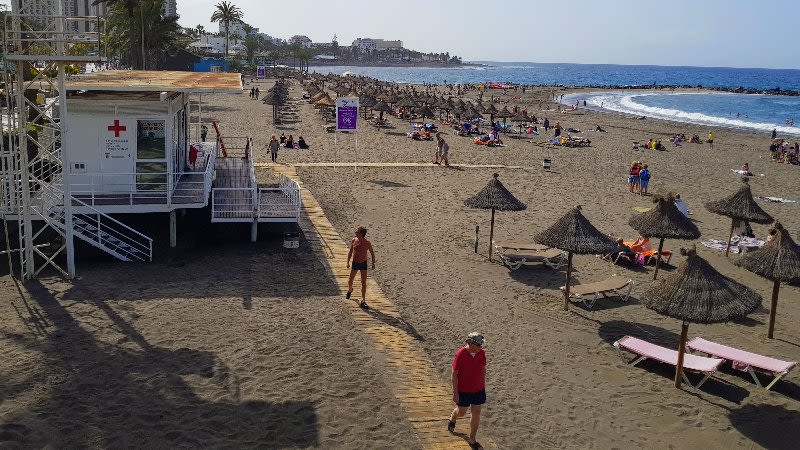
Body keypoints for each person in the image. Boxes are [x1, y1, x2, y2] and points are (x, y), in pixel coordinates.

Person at [448, 332, 486, 450]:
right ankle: (453, 417)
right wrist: (455, 392)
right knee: (462, 412)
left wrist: (483, 386)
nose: (481, 347)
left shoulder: (482, 353)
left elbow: (483, 370)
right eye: (479, 345)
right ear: (471, 344)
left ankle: (472, 439)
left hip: (478, 389)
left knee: (476, 412)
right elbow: (454, 375)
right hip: (463, 390)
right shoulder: (460, 354)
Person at [346, 226, 376, 308]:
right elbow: (350, 251)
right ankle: (350, 289)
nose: (355, 232)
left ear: (361, 234)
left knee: (363, 282)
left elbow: (372, 253)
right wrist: (348, 262)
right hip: (355, 263)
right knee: (350, 280)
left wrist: (373, 263)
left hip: (363, 263)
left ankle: (363, 300)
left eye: (357, 231)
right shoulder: (354, 240)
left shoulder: (367, 243)